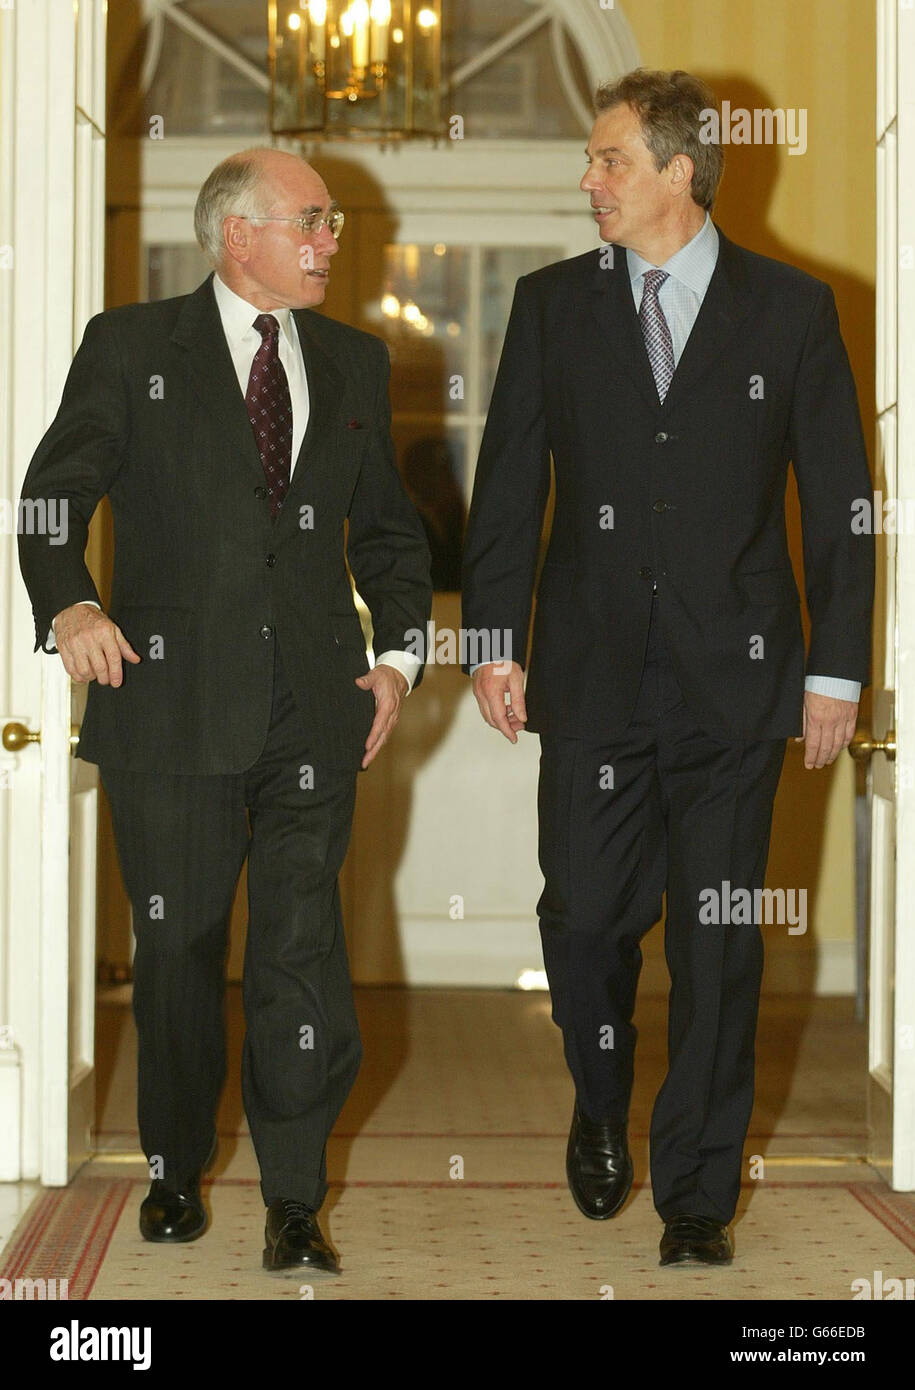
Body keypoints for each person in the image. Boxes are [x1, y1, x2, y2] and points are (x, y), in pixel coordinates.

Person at [461, 69, 874, 1267]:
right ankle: (602, 1100)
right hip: (590, 679)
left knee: (717, 936)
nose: (587, 180)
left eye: (608, 161)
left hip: (741, 691)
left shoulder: (793, 311)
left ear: (679, 174)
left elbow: (843, 506)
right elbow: (508, 490)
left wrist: (835, 673)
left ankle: (696, 1190)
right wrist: (493, 642)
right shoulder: (551, 306)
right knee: (584, 921)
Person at [18, 147, 432, 1276]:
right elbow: (51, 496)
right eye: (311, 220)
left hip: (318, 707)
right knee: (181, 952)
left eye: (333, 223)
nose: (330, 240)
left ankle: (296, 1196)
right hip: (168, 702)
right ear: (236, 233)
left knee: (302, 953)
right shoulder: (131, 346)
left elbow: (390, 533)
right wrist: (72, 604)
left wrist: (398, 659)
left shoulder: (352, 360)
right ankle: (173, 1164)